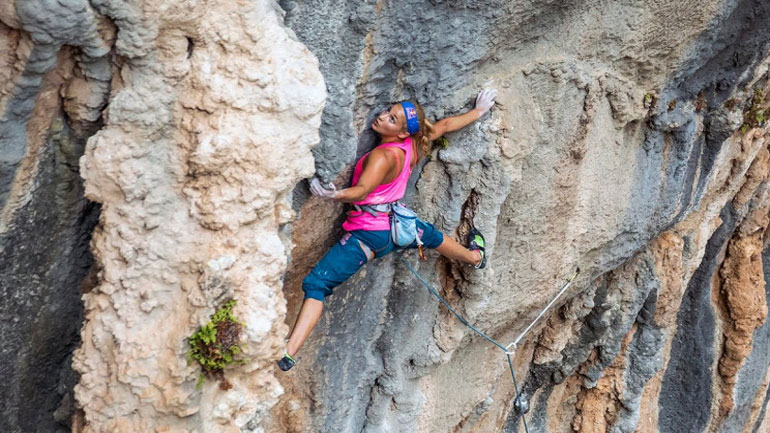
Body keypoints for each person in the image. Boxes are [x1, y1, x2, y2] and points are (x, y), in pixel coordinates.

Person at [277, 89, 498, 371]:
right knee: (429, 235)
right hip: (398, 225)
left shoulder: (382, 157)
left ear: (402, 133)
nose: (382, 117)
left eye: (391, 119)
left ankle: (290, 351)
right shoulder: (413, 146)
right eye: (387, 111)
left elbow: (363, 191)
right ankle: (475, 258)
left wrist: (333, 195)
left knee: (317, 285)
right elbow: (442, 126)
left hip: (368, 235)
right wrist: (478, 112)